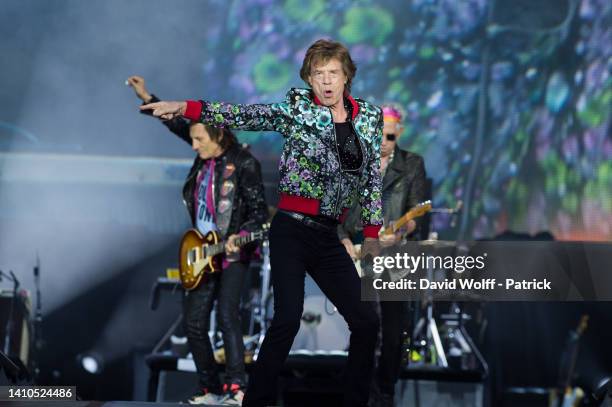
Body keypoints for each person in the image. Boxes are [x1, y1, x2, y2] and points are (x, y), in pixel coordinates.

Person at [140, 39, 384, 407]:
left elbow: (367, 179)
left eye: (333, 73)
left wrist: (371, 237)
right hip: (291, 228)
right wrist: (184, 108)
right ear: (309, 79)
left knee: (366, 322)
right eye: (318, 75)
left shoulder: (368, 116)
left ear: (347, 76)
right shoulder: (297, 108)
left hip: (328, 234)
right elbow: (242, 115)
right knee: (287, 317)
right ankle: (255, 401)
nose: (326, 82)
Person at [128, 76, 268, 405]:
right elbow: (178, 124)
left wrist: (240, 237)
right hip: (201, 250)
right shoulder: (201, 152)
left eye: (199, 140)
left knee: (227, 317)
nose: (193, 146)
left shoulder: (244, 163)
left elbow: (260, 214)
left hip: (232, 254)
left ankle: (237, 388)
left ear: (217, 135)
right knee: (193, 323)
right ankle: (209, 387)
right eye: (192, 139)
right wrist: (148, 96)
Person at [338, 104, 427, 407]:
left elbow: (417, 210)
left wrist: (400, 233)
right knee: (363, 328)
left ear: (399, 132)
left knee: (392, 333)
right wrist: (343, 239)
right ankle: (357, 393)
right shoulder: (355, 161)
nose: (384, 139)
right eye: (380, 133)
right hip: (359, 252)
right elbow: (335, 207)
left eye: (390, 134)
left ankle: (384, 393)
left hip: (394, 257)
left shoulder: (412, 164)